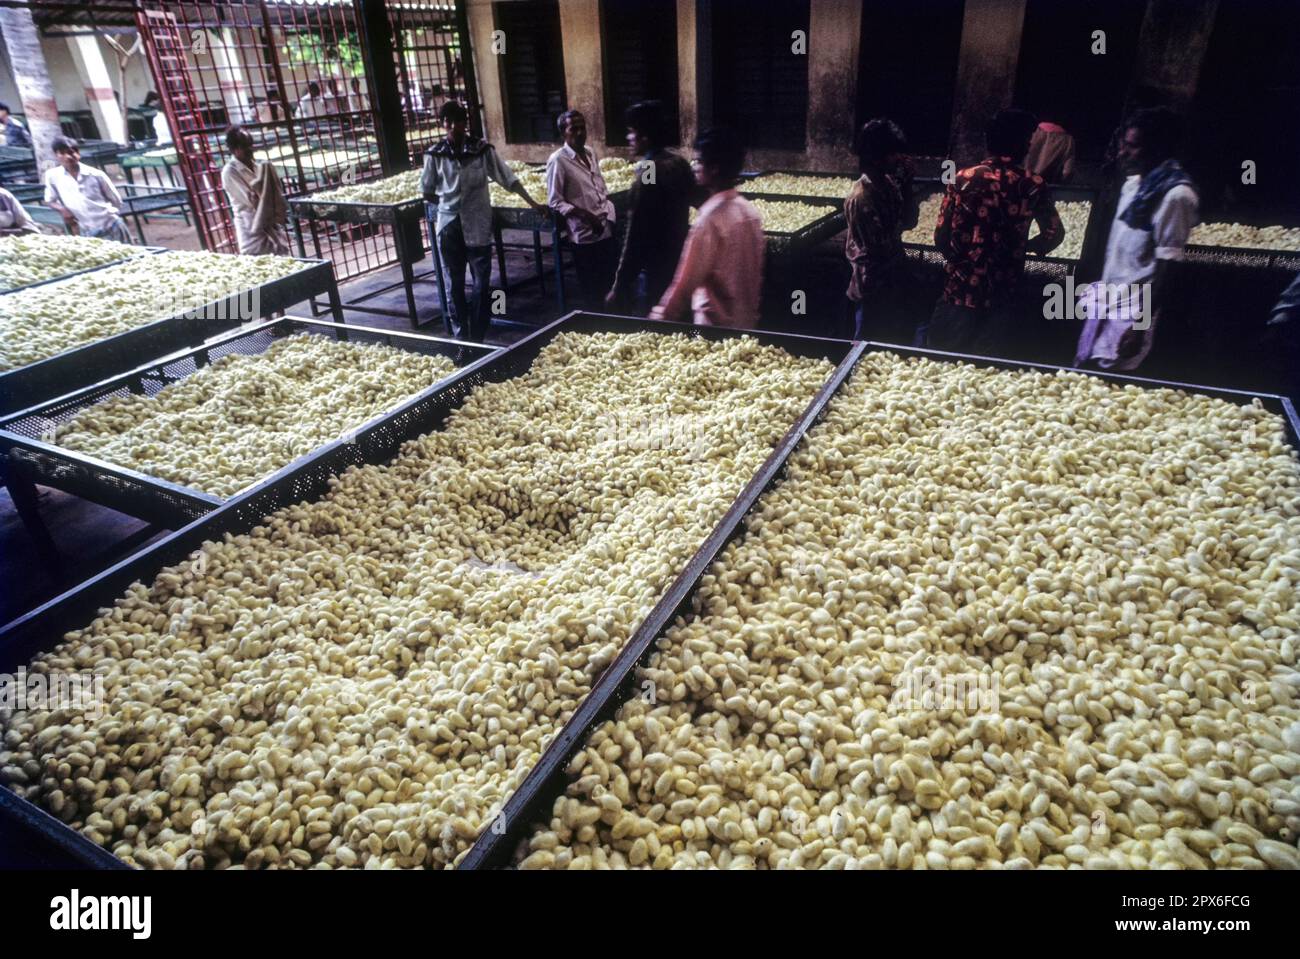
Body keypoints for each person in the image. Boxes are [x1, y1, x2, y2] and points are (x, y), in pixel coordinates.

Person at [926, 109, 1063, 354]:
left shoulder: (963, 179)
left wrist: (960, 261)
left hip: (960, 289)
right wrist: (1025, 248)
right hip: (1003, 290)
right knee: (986, 369)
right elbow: (1054, 233)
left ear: (989, 141)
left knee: (941, 361)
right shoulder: (1033, 185)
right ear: (1023, 144)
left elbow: (941, 236)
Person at [1074, 107, 1198, 373]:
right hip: (1109, 298)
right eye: (1124, 145)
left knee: (1115, 380)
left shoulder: (1177, 196)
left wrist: (1139, 327)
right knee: (1088, 376)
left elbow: (1168, 267)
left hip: (1132, 311)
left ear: (1159, 148)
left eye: (1133, 147)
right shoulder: (1133, 186)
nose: (1123, 153)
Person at [421, 100, 547, 341]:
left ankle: (478, 335)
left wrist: (533, 203)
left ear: (464, 123)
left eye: (457, 122)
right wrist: (447, 203)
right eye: (447, 123)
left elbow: (507, 178)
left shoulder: (481, 150)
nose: (452, 127)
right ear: (442, 124)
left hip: (478, 224)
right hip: (449, 227)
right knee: (454, 282)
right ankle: (461, 337)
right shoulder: (434, 155)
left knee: (481, 283)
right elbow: (426, 190)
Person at [650, 127, 764, 329]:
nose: (694, 167)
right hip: (747, 325)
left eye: (699, 161)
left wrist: (659, 318)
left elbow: (685, 285)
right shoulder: (750, 213)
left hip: (713, 330)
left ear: (715, 168)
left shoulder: (709, 219)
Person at [605, 101, 693, 312]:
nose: (629, 138)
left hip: (657, 266)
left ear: (645, 136)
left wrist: (620, 283)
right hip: (681, 259)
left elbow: (637, 229)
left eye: (631, 132)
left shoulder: (649, 169)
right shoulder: (678, 162)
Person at [844, 118, 916, 341]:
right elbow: (879, 247)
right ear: (876, 157)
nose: (899, 159)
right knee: (866, 341)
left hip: (892, 279)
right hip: (872, 285)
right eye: (893, 153)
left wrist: (907, 184)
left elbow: (910, 221)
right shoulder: (861, 198)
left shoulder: (889, 185)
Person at [547, 110, 618, 308]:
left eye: (582, 127)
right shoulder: (558, 160)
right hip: (584, 234)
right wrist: (586, 216)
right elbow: (555, 201)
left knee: (609, 283)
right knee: (592, 289)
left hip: (605, 228)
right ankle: (596, 325)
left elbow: (599, 187)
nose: (580, 132)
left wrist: (608, 215)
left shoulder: (590, 153)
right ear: (564, 133)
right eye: (573, 129)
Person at [43, 137, 133, 242]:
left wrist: (108, 213)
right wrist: (63, 210)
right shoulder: (53, 176)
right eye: (62, 153)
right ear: (56, 156)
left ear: (78, 153)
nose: (68, 157)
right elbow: (49, 200)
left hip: (110, 224)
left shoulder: (96, 174)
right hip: (86, 229)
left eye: (71, 152)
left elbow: (115, 200)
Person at [220, 125, 290, 256]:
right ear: (235, 149)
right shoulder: (230, 172)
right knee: (260, 259)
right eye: (245, 146)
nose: (250, 149)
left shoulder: (258, 166)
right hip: (251, 225)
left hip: (270, 223)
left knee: (280, 256)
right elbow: (252, 199)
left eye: (251, 145)